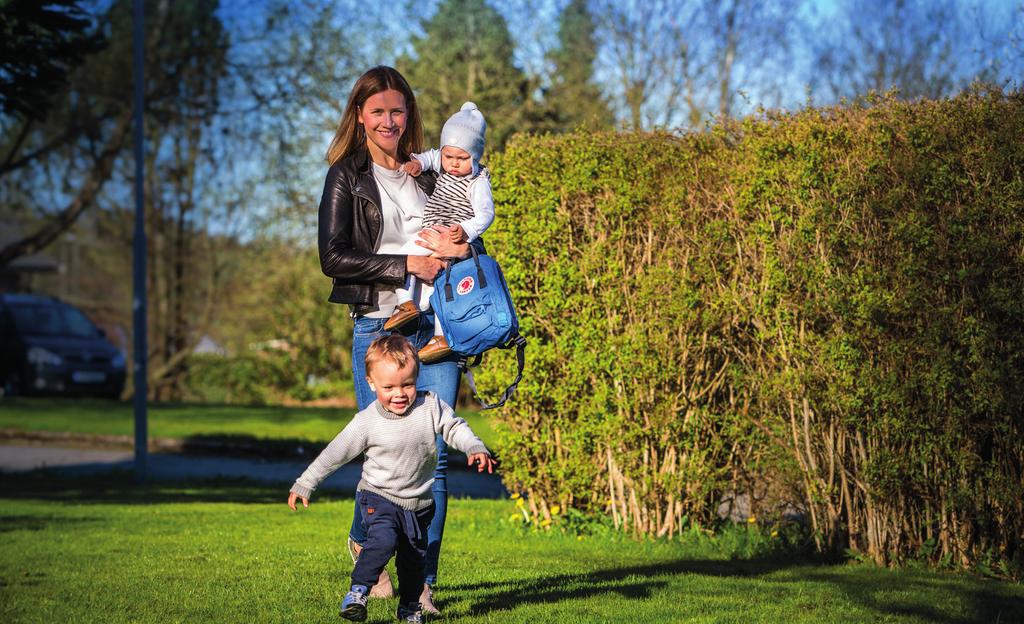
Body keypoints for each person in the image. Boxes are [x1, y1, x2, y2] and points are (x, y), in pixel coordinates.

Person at [317, 65, 481, 615]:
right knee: (382, 450)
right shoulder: (347, 176)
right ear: (360, 116)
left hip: (437, 328)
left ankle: (423, 584)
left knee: (431, 460)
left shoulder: (431, 174)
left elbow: (467, 235)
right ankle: (369, 548)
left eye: (398, 110)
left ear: (409, 115)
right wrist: (404, 263)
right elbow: (333, 257)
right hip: (379, 326)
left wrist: (458, 250)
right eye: (378, 111)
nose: (389, 120)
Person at [288, 335, 495, 622]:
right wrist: (306, 482)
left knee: (413, 562)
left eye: (407, 384)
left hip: (419, 504)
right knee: (383, 540)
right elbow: (335, 452)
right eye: (389, 387)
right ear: (372, 384)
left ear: (417, 378)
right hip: (378, 496)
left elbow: (454, 427)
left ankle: (410, 607)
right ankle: (358, 592)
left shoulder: (430, 406)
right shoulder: (367, 421)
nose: (399, 394)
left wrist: (473, 445)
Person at [385, 101, 495, 364]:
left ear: (476, 156)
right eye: (449, 157)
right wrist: (418, 164)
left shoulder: (478, 182)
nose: (453, 164)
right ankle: (437, 332)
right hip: (434, 229)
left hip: (446, 233)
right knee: (440, 286)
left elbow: (486, 214)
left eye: (462, 158)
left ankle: (407, 305)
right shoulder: (443, 161)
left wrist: (466, 230)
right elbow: (430, 156)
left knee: (410, 259)